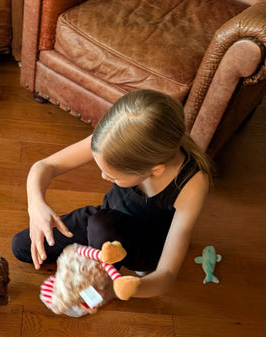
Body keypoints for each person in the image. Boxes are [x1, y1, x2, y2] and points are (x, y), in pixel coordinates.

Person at [12, 89, 212, 299]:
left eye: (113, 176)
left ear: (155, 170)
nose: (103, 177)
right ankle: (96, 258)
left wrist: (125, 289)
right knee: (23, 247)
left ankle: (102, 272)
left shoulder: (191, 185)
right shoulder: (115, 139)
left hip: (142, 245)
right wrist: (36, 205)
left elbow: (167, 274)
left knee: (101, 224)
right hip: (105, 220)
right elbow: (46, 165)